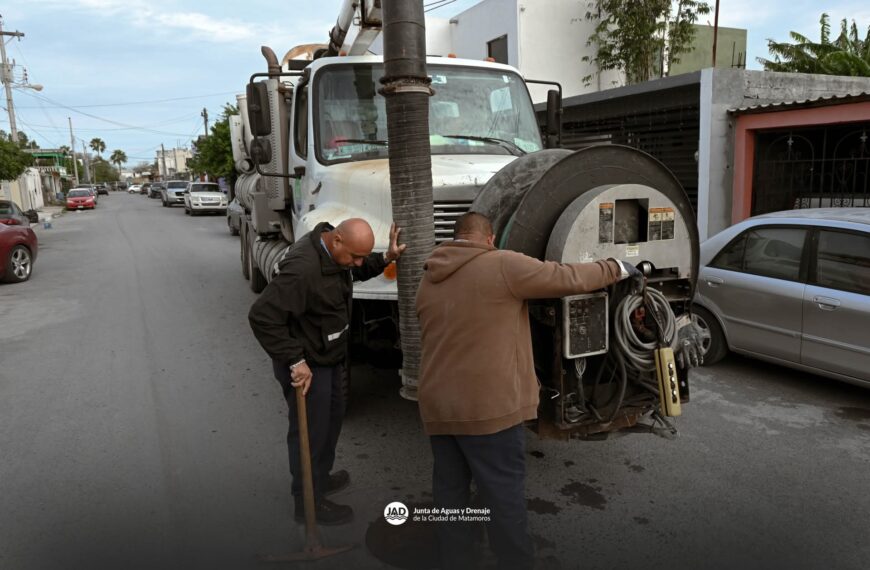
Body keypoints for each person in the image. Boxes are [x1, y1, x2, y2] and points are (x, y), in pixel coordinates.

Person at [415, 212, 643, 569]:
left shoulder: (429, 276)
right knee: (502, 499)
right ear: (490, 239)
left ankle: (454, 558)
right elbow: (565, 277)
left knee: (450, 495)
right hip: (488, 409)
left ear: (455, 238)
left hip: (439, 405)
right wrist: (617, 267)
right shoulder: (501, 264)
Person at [249, 218, 406, 525]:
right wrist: (295, 361)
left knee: (332, 421)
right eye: (355, 256)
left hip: (329, 356)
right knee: (311, 433)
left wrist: (385, 258)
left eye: (362, 256)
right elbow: (262, 317)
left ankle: (319, 478)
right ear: (336, 241)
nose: (357, 263)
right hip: (307, 364)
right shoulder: (302, 271)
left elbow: (353, 269)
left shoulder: (334, 250)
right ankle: (307, 502)